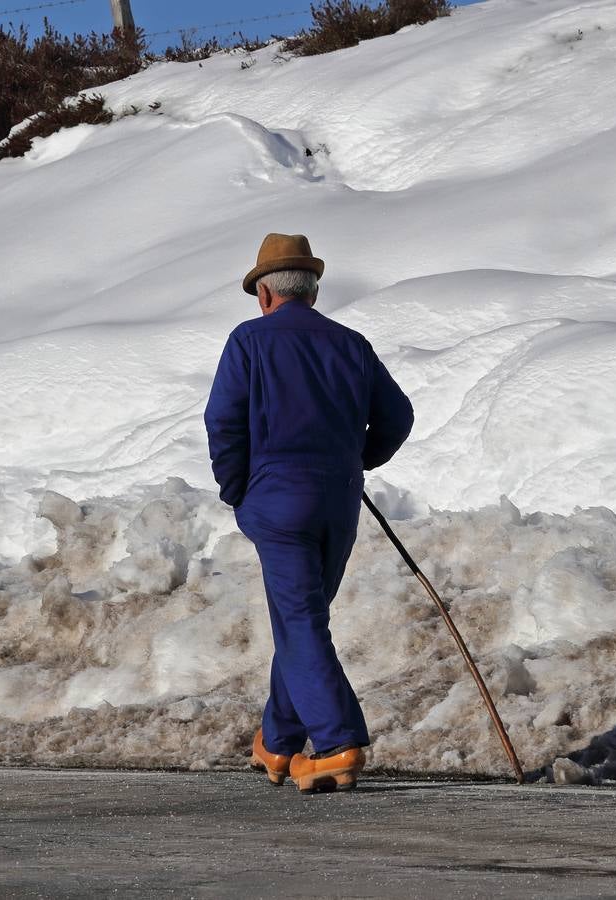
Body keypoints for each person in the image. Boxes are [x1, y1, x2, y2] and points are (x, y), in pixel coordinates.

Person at [204, 233, 414, 793]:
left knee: (300, 622)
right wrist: (354, 460)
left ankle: (337, 741)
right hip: (338, 502)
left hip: (277, 502)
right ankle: (277, 743)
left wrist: (237, 489)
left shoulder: (249, 341)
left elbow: (223, 423)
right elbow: (397, 418)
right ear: (312, 292)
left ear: (265, 295)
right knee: (302, 621)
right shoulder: (351, 344)